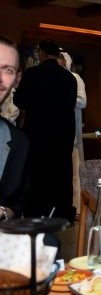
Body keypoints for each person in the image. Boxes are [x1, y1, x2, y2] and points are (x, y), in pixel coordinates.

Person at [14, 39, 77, 221]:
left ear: (41, 53)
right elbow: (71, 104)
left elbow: (20, 101)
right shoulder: (69, 78)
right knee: (60, 174)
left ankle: (35, 211)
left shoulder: (32, 74)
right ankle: (60, 212)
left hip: (37, 135)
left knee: (36, 175)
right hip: (62, 136)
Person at [0, 36, 29, 219]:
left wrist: (4, 213)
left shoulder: (19, 143)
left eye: (8, 70)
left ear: (16, 80)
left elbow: (17, 204)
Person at [58, 50, 87, 213]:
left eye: (60, 58)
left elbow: (82, 101)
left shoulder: (75, 77)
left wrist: (63, 98)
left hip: (72, 132)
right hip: (59, 130)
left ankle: (77, 206)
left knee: (75, 169)